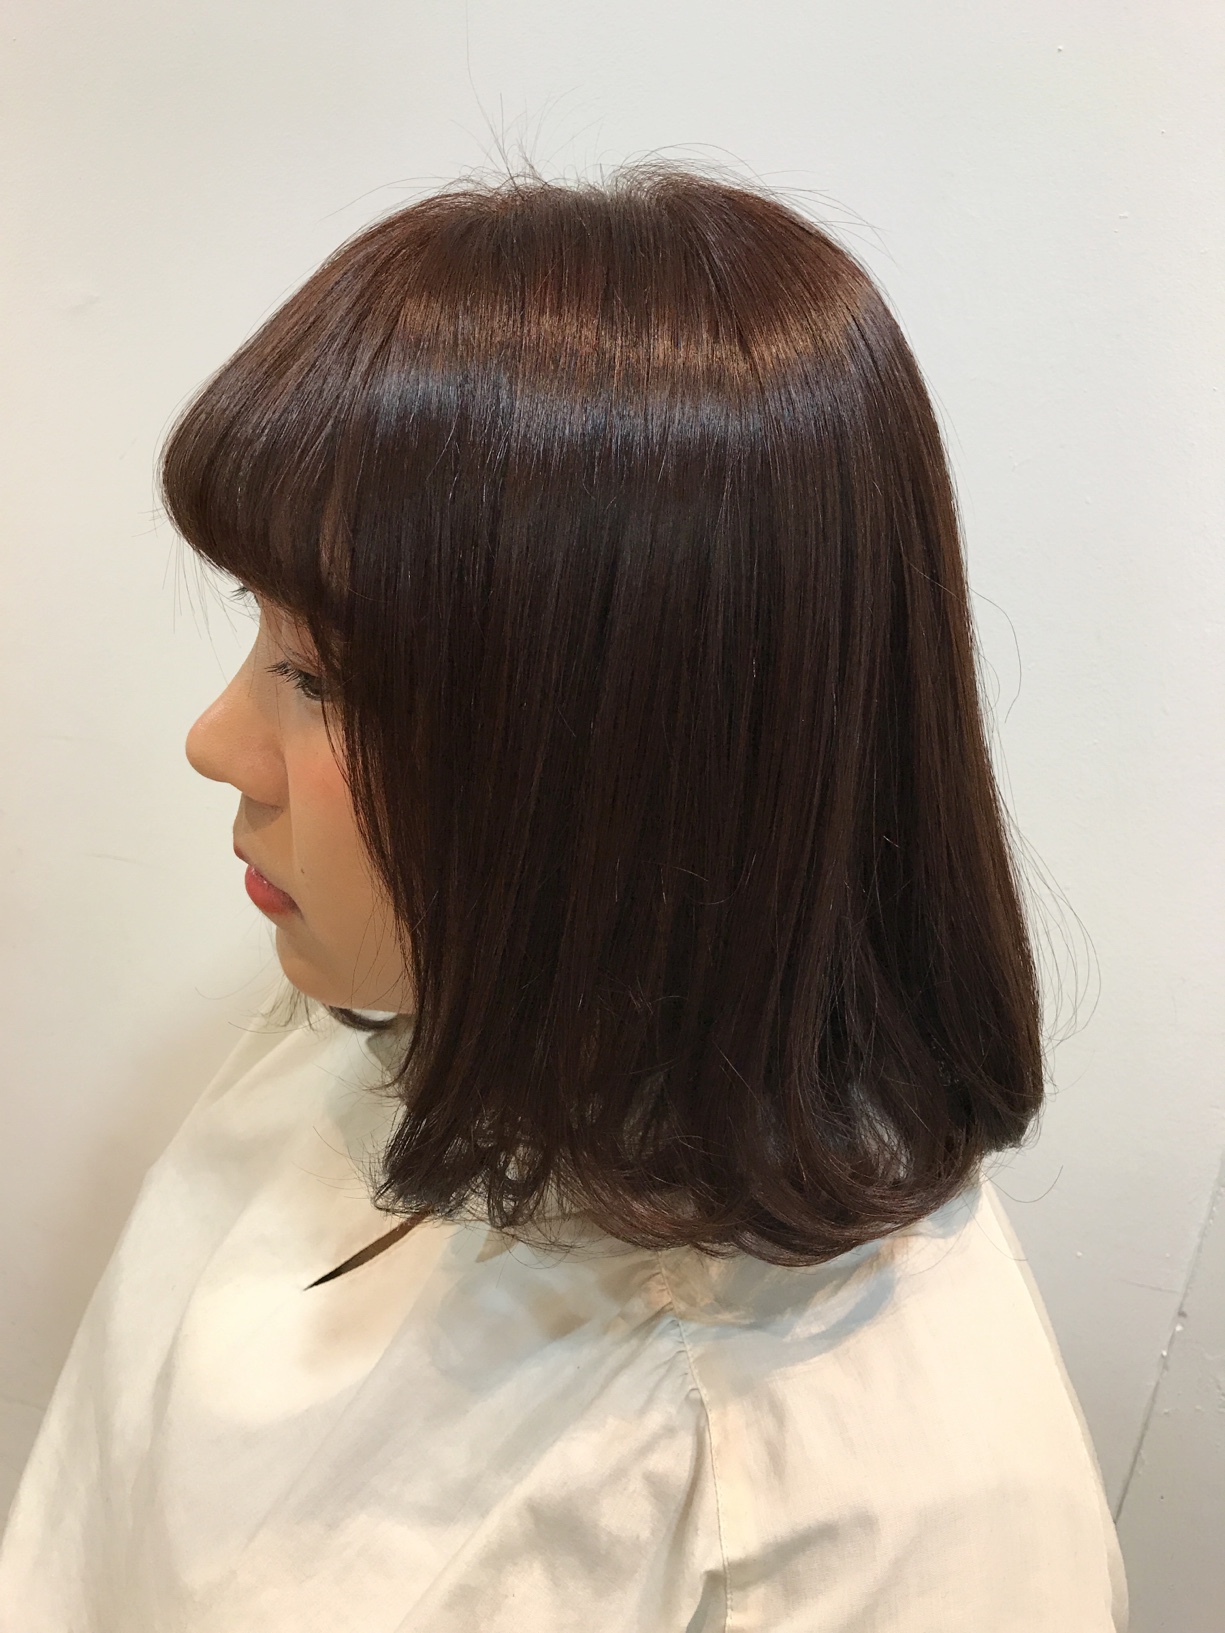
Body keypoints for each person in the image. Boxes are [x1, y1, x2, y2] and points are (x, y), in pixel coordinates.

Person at [0, 166, 1126, 1630]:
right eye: (259, 632)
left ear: (637, 753)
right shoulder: (377, 1021)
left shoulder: (891, 1523)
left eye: (320, 677)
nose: (217, 741)